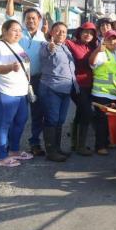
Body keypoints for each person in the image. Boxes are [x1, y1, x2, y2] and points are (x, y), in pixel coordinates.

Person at [6, 0, 48, 157]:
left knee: (38, 114)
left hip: (37, 80)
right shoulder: (18, 33)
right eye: (28, 18)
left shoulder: (42, 36)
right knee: (17, 114)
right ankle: (11, 145)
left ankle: (34, 143)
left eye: (34, 18)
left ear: (39, 20)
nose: (30, 21)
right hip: (18, 79)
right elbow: (9, 15)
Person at [0, 20, 34, 167]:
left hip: (20, 91)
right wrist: (10, 67)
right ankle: (2, 157)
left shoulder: (17, 45)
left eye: (19, 30)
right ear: (4, 30)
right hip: (4, 91)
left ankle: (14, 150)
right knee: (4, 123)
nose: (18, 33)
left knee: (21, 120)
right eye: (14, 30)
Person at [39, 22, 78, 162]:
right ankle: (51, 152)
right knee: (52, 119)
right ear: (51, 32)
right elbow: (47, 51)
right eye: (57, 31)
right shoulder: (46, 45)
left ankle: (57, 148)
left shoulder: (65, 47)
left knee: (60, 120)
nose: (61, 34)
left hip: (66, 89)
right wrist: (50, 48)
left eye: (64, 32)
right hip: (52, 88)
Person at [66, 22, 98, 156]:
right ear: (79, 33)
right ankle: (81, 146)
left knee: (80, 113)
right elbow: (56, 39)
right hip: (77, 85)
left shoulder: (92, 47)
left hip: (90, 85)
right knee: (87, 113)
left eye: (91, 33)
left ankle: (75, 144)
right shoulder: (70, 44)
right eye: (85, 32)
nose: (88, 35)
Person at [89, 30, 116, 155]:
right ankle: (100, 146)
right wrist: (98, 49)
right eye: (109, 39)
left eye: (114, 39)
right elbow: (91, 63)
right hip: (102, 94)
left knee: (111, 121)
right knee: (102, 121)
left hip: (115, 94)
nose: (112, 41)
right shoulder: (103, 53)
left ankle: (107, 141)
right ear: (104, 41)